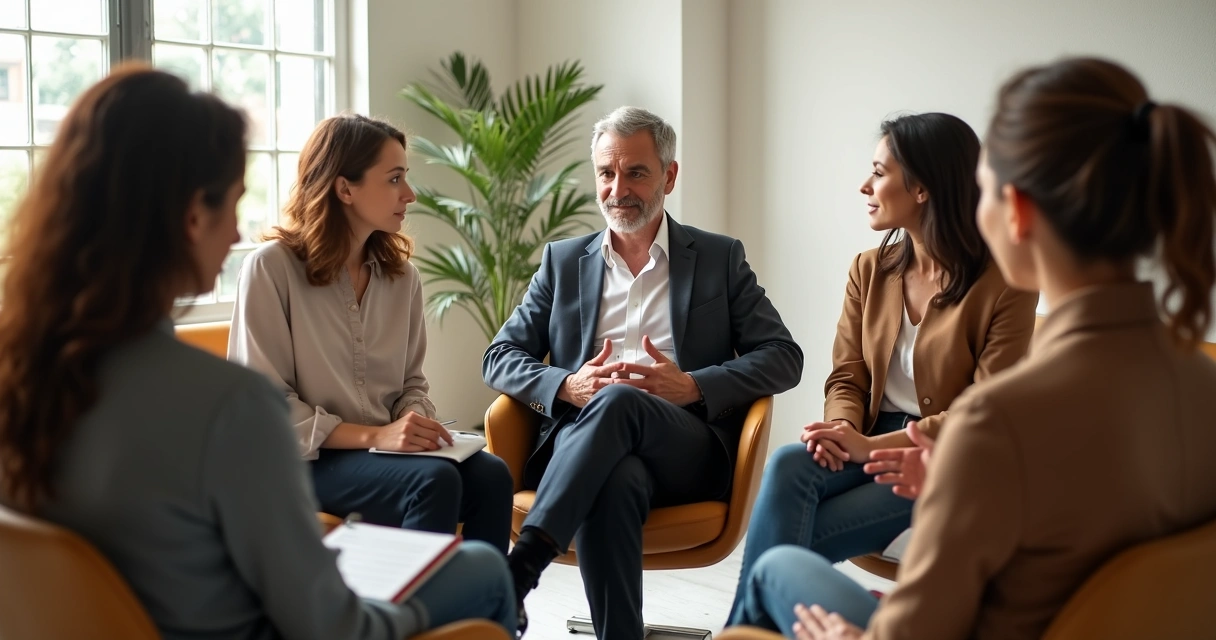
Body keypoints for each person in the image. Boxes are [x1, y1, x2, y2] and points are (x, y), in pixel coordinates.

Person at [0, 66, 516, 639]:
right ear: (194, 215)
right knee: (484, 572)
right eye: (235, 203)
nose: (238, 231)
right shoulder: (231, 405)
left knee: (486, 479)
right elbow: (329, 622)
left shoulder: (23, 378)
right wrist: (415, 616)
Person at [730, 56, 1216, 640]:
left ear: (1016, 211)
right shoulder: (1202, 384)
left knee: (777, 565)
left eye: (984, 187)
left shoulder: (997, 421)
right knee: (787, 518)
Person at [483, 106, 804, 637]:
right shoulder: (562, 262)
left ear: (669, 176)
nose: (617, 188)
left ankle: (521, 572)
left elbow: (782, 355)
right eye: (606, 173)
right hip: (582, 448)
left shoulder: (719, 259)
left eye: (636, 172)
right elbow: (499, 356)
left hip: (685, 448)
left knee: (622, 400)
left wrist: (694, 385)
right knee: (618, 479)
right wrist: (567, 385)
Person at [726, 112, 1038, 625]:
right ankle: (750, 633)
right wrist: (843, 429)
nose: (864, 185)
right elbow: (847, 375)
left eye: (878, 172)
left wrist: (869, 447)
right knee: (788, 463)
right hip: (867, 438)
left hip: (946, 464)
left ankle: (742, 634)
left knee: (783, 545)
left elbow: (983, 412)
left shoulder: (1007, 283)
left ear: (922, 188)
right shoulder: (869, 269)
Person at [229, 113, 513, 554]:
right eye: (394, 179)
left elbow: (411, 384)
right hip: (303, 461)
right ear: (345, 189)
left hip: (384, 456)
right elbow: (266, 409)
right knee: (433, 482)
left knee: (493, 476)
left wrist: (413, 421)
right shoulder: (272, 268)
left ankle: (490, 618)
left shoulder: (403, 280)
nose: (410, 194)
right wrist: (376, 437)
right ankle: (408, 621)